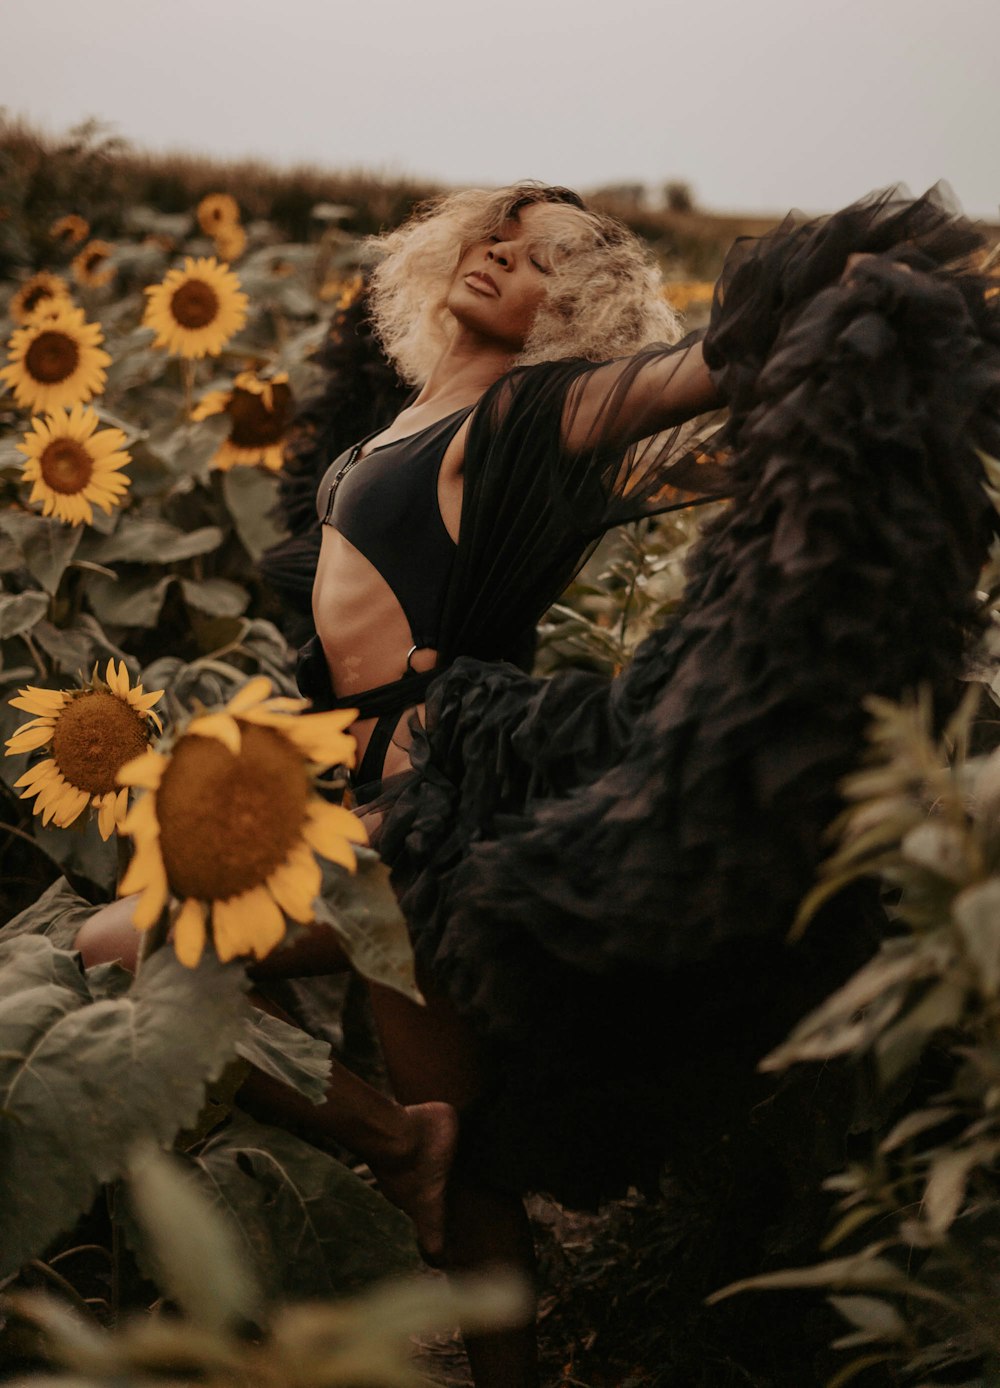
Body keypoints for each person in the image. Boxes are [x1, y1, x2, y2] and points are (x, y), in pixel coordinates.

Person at [78, 180, 1000, 1388]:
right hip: (368, 799)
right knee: (467, 1176)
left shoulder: (539, 408)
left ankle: (377, 1136)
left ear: (570, 309)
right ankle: (455, 1249)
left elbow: (695, 377)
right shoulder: (404, 419)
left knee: (115, 947)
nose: (498, 260)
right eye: (490, 240)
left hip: (422, 804)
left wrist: (863, 281)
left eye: (535, 262)